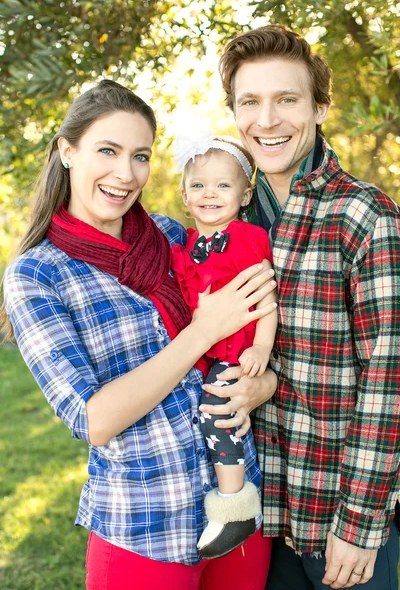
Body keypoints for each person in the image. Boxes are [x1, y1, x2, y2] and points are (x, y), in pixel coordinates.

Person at [0, 80, 279, 590]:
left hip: (237, 505)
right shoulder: (37, 275)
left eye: (140, 156)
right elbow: (94, 419)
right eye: (108, 150)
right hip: (145, 525)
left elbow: (254, 321)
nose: (125, 174)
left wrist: (262, 385)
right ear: (67, 151)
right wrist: (200, 333)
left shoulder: (176, 237)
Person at [217, 25, 400, 590]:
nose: (267, 120)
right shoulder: (230, 224)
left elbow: (388, 376)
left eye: (287, 100)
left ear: (320, 107)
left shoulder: (366, 216)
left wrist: (359, 521)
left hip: (342, 524)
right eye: (250, 101)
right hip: (260, 522)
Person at [171, 130, 278, 560]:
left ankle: (234, 504)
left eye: (222, 185)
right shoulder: (188, 247)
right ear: (183, 194)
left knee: (216, 413)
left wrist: (262, 350)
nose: (209, 194)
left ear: (245, 193)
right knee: (207, 416)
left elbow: (265, 299)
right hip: (205, 351)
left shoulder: (245, 239)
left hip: (238, 349)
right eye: (198, 185)